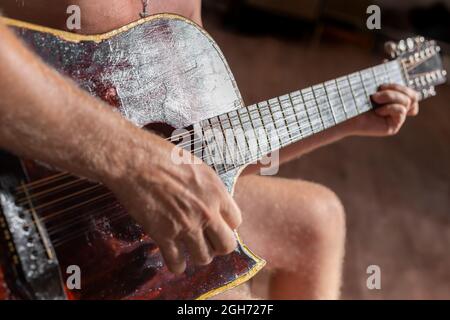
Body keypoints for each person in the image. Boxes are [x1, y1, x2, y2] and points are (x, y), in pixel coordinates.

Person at [0, 0, 419, 299]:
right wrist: (131, 160)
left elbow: (207, 155)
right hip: (18, 186)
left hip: (91, 215)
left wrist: (351, 117)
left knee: (318, 215)